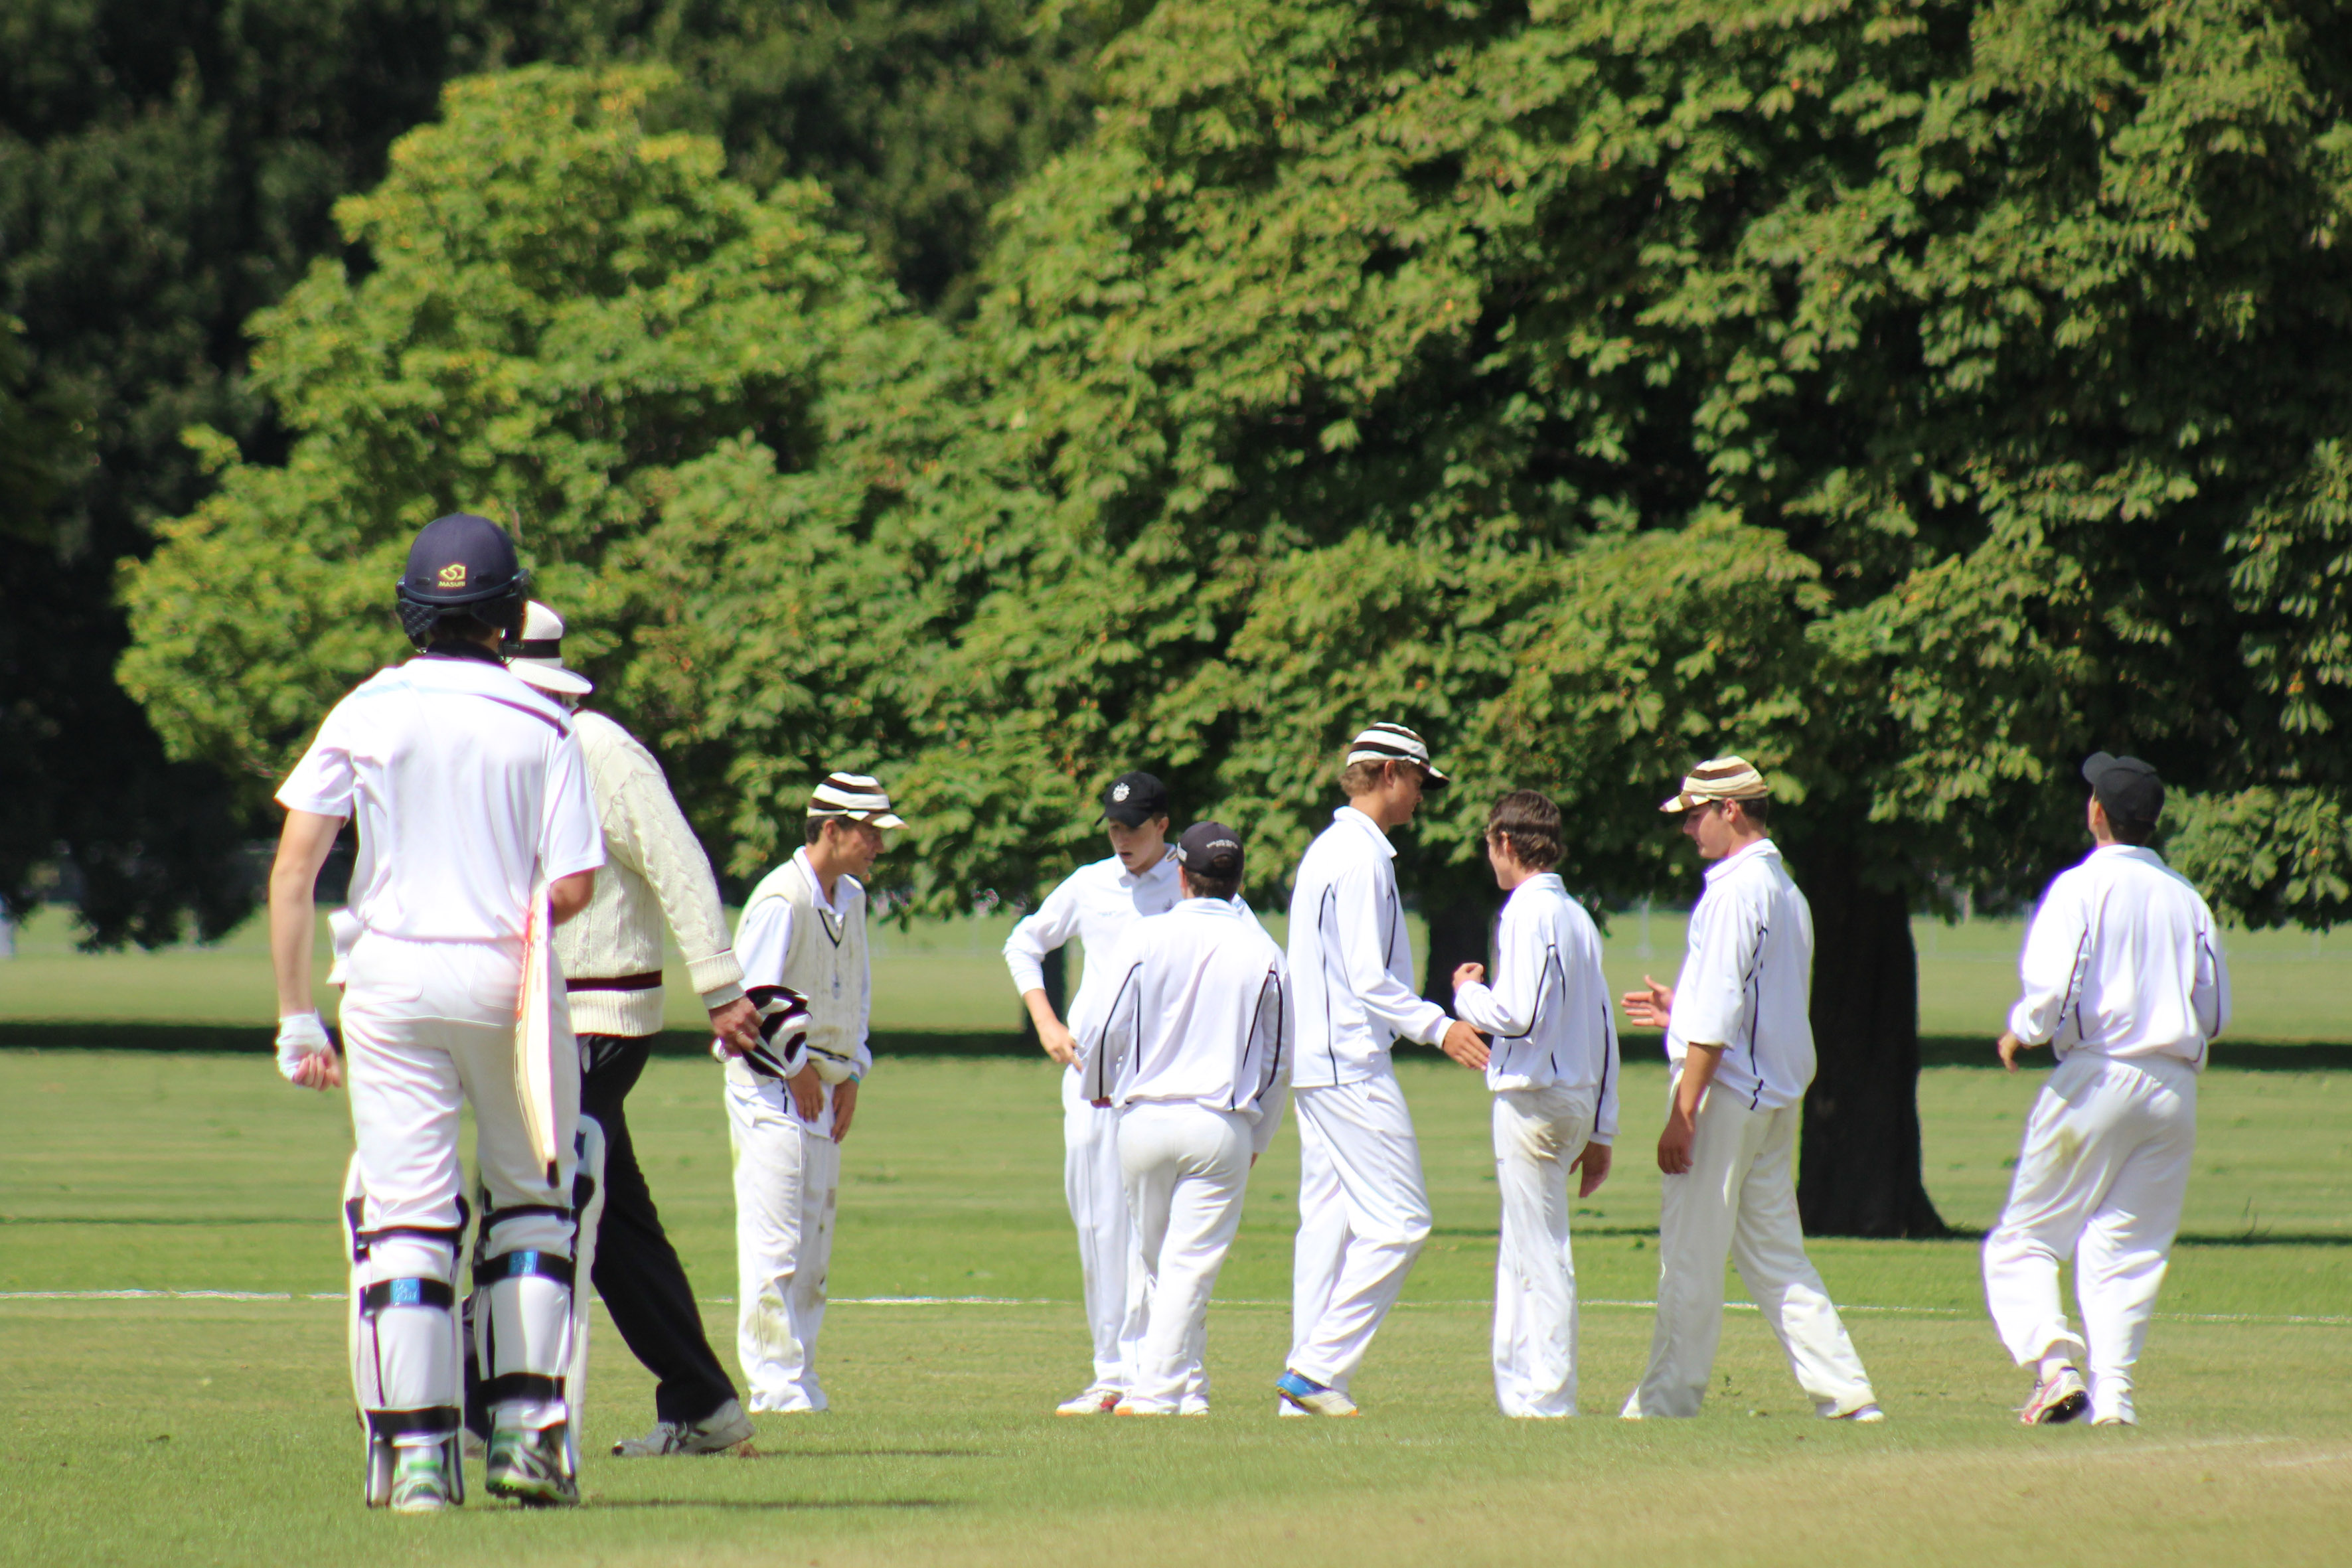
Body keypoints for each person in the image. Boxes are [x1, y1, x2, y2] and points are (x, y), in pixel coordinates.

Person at [269, 514, 604, 1511]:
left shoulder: (367, 708)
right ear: (508, 613)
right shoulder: (542, 721)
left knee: (407, 1218)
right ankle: (525, 1438)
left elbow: (296, 866)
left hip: (390, 983)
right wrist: (511, 919)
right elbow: (576, 885)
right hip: (510, 979)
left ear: (412, 609)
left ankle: (418, 1459)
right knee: (532, 1204)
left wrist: (296, 1017)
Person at [503, 601, 766, 1457]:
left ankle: (493, 1407)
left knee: (538, 1203)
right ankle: (703, 1402)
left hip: (597, 1018)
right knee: (613, 1223)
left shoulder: (602, 750)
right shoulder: (515, 746)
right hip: (548, 1012)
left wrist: (723, 987)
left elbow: (680, 863)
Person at [1618, 755, 1882, 1423]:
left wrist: (1684, 1112)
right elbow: (1750, 1001)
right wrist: (1683, 1009)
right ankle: (1847, 1393)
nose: (1688, 830)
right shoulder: (1784, 889)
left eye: (1694, 815)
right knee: (1775, 1258)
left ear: (1729, 809)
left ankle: (1667, 1401)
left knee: (1691, 1254)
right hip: (1771, 1097)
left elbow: (1719, 1016)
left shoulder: (1736, 890)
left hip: (1725, 1097)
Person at [1983, 753, 2229, 1427]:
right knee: (2127, 1245)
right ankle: (2113, 1396)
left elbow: (2053, 987)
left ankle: (2058, 1367)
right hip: (2174, 1085)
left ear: (2098, 812)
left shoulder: (2079, 888)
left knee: (2024, 1240)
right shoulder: (2187, 898)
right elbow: (2214, 1013)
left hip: (2099, 1073)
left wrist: (2022, 1030)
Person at [1278, 722, 1490, 1417]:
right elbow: (1369, 977)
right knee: (1401, 1221)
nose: (1423, 799)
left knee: (1331, 1223)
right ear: (1392, 773)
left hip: (1318, 1060)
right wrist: (1441, 1026)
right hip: (1348, 1062)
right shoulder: (1360, 857)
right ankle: (1314, 1369)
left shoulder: (1330, 848)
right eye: (1422, 783)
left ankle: (1303, 1387)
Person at [1079, 822, 1293, 1416]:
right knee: (1187, 1268)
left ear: (1182, 875)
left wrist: (1099, 1088)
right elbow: (1278, 1064)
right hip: (1218, 1122)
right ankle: (1159, 1392)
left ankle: (1185, 1393)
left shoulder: (1146, 937)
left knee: (1157, 1265)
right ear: (1238, 880)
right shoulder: (1266, 951)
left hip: (1142, 1120)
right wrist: (1260, 1135)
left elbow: (1103, 1024)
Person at [1002, 771, 1182, 1415]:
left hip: (1165, 1079)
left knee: (1155, 1226)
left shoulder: (1190, 882)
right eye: (1113, 828)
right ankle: (1111, 1372)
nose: (1122, 839)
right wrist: (1048, 1021)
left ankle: (1161, 1373)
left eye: (1133, 828)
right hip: (1090, 1079)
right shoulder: (1090, 883)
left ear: (1163, 825)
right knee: (1099, 1222)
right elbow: (1024, 943)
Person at [725, 771, 899, 1412]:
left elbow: (855, 990)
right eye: (870, 832)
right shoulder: (781, 899)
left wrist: (853, 1071)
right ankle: (774, 1384)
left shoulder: (849, 897)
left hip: (825, 1086)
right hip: (771, 1087)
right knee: (776, 1240)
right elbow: (749, 1000)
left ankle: (802, 1376)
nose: (879, 846)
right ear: (833, 829)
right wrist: (795, 1066)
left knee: (814, 1240)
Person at [1450, 790, 1620, 1417]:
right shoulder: (1575, 915)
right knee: (1523, 1247)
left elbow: (1515, 1016)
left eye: (1490, 845)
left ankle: (1548, 1396)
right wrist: (1603, 1129)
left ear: (1506, 843)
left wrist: (1466, 995)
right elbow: (1602, 1027)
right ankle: (1522, 1391)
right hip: (1573, 1097)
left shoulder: (1525, 910)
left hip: (1533, 1099)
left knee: (1540, 1250)